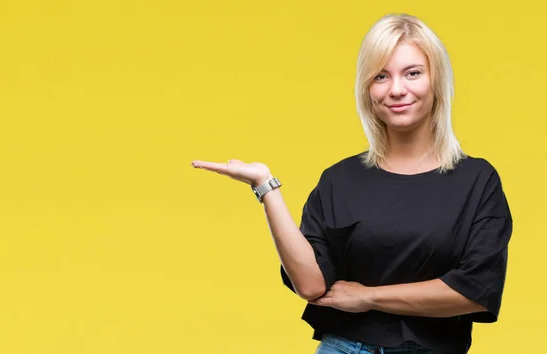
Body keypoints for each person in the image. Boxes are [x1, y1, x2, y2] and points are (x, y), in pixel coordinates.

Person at [192, 13, 513, 354]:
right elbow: (310, 284)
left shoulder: (477, 181)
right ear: (367, 89)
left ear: (437, 80)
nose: (397, 89)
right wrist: (266, 186)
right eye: (381, 76)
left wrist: (368, 297)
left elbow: (476, 291)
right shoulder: (340, 180)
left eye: (413, 73)